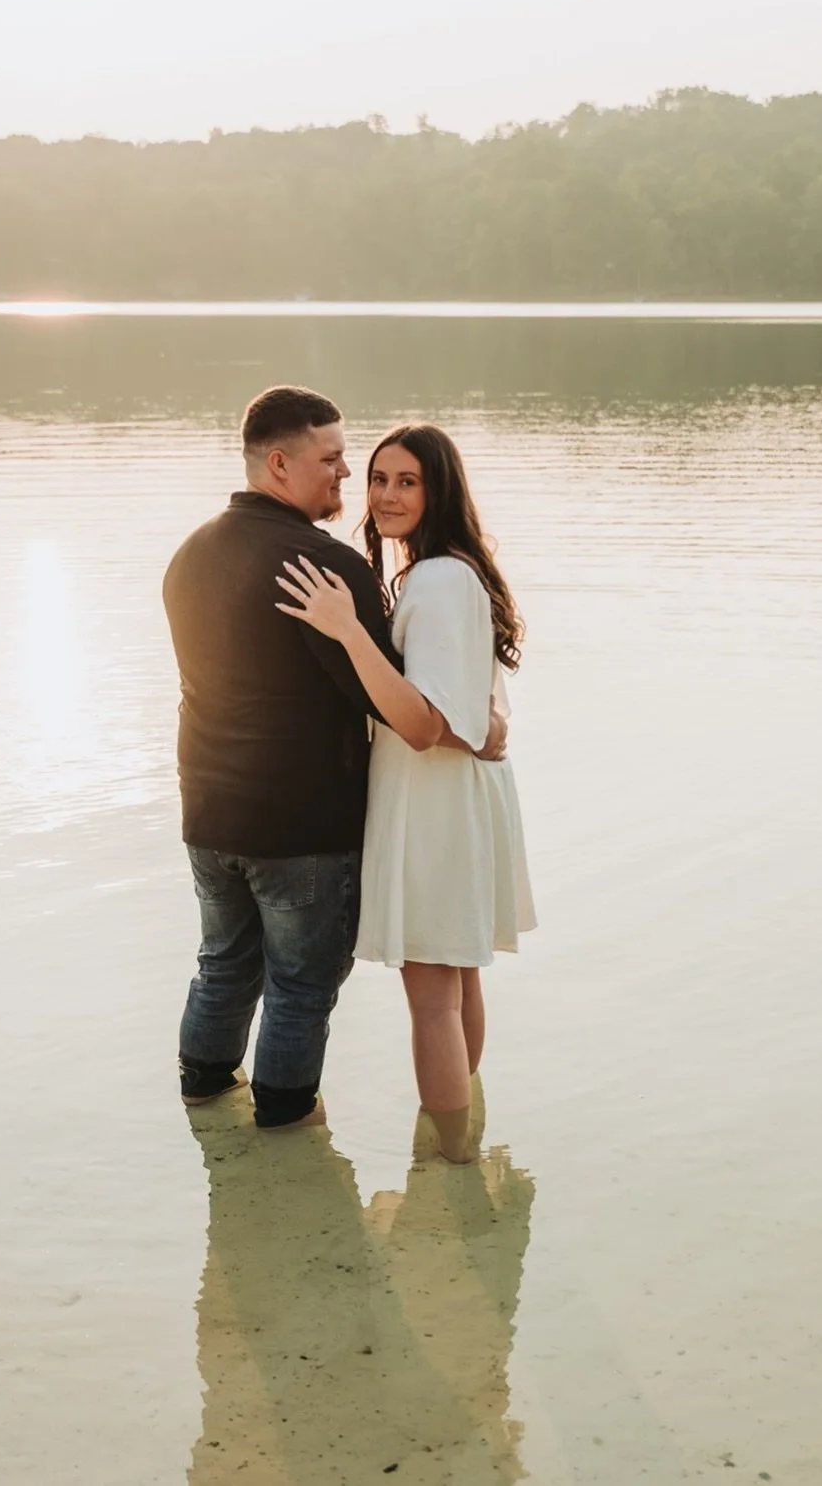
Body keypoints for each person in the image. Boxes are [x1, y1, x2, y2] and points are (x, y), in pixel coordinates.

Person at [163, 386, 506, 1131]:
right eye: (335, 460)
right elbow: (403, 702)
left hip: (207, 812)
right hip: (300, 829)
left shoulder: (187, 554)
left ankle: (202, 1095)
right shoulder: (325, 569)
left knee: (223, 963)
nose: (347, 478)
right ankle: (285, 1125)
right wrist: (481, 724)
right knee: (299, 985)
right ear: (279, 463)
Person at [276, 422, 536, 1163]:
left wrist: (348, 630)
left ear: (438, 491)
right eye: (378, 479)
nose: (386, 495)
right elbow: (468, 707)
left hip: (434, 804)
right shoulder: (451, 572)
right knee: (455, 981)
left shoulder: (435, 578)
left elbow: (423, 723)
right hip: (457, 796)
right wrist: (484, 727)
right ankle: (463, 1141)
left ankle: (446, 1162)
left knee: (431, 996)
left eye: (406, 482)